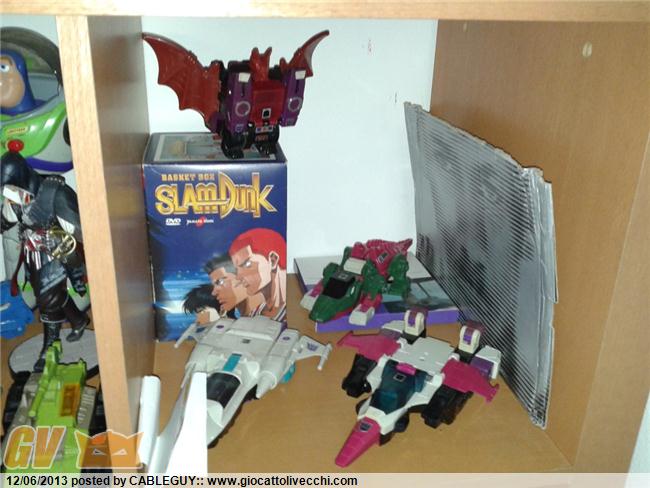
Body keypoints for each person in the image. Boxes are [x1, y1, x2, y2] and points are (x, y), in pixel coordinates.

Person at [1, 149, 89, 371]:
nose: (8, 193)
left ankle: (50, 345)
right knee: (49, 294)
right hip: (33, 255)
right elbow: (5, 221)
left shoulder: (54, 193)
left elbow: (81, 230)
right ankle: (78, 320)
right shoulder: (14, 198)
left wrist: (57, 237)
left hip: (57, 254)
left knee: (47, 299)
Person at [228, 228, 287, 321]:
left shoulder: (291, 312)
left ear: (273, 260)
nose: (238, 276)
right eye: (237, 269)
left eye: (247, 264)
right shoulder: (254, 313)